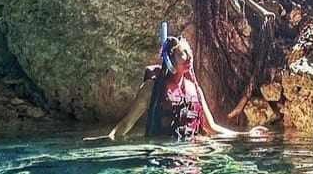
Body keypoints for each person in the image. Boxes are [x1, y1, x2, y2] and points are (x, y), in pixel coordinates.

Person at [104, 35, 267, 141]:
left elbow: (211, 128)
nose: (189, 57)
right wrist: (106, 141)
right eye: (183, 53)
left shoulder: (195, 90)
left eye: (189, 52)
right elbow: (126, 124)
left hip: (190, 158)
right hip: (162, 156)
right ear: (169, 60)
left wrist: (246, 135)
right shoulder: (151, 89)